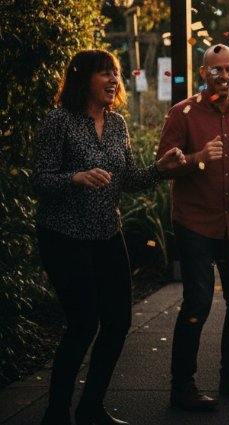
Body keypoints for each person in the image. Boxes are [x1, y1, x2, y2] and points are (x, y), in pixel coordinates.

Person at [31, 50, 185, 425]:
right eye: (104, 73)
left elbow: (128, 179)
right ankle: (55, 414)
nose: (113, 79)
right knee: (83, 324)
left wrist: (159, 170)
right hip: (64, 237)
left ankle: (91, 407)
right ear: (83, 79)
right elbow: (38, 181)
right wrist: (75, 177)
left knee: (118, 323)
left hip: (106, 234)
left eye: (115, 72)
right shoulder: (59, 122)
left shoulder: (116, 124)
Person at [157, 45, 229, 411]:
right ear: (203, 73)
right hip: (195, 223)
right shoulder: (183, 113)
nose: (224, 75)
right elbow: (164, 165)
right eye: (216, 69)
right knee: (197, 302)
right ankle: (182, 386)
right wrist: (197, 158)